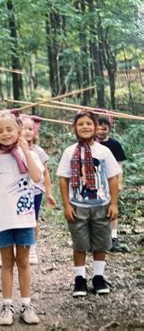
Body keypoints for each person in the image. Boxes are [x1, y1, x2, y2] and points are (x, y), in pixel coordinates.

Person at [0, 111, 43, 326]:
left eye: (9, 129)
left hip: (23, 219)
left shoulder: (27, 154)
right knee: (6, 263)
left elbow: (36, 176)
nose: (5, 134)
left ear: (19, 131)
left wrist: (25, 150)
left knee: (23, 262)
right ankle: (6, 305)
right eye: (0, 131)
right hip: (2, 220)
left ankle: (26, 304)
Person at [57, 111, 121, 298]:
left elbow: (113, 178)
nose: (85, 127)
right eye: (81, 124)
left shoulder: (104, 151)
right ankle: (80, 279)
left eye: (89, 124)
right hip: (78, 206)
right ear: (74, 128)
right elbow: (63, 180)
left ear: (95, 128)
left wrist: (114, 204)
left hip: (102, 204)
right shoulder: (70, 152)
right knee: (80, 243)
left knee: (101, 242)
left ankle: (98, 277)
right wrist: (67, 205)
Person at [20, 115, 57, 264]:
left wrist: (49, 193)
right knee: (17, 220)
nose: (28, 132)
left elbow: (45, 173)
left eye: (30, 129)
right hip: (17, 191)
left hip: (35, 191)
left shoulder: (38, 151)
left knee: (32, 220)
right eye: (24, 128)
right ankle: (17, 249)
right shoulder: (12, 150)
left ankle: (32, 248)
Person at [96, 115, 127, 252]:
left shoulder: (115, 145)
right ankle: (98, 238)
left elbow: (119, 166)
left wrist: (119, 183)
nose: (101, 131)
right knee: (96, 210)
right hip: (95, 181)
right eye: (99, 128)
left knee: (112, 209)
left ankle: (113, 237)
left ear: (109, 128)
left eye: (104, 128)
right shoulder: (92, 144)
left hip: (111, 180)